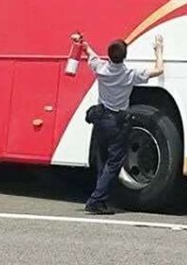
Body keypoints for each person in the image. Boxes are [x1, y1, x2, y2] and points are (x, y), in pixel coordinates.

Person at [71, 32, 165, 215]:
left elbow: (90, 54)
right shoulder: (129, 74)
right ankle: (96, 200)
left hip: (101, 120)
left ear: (109, 55)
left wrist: (83, 44)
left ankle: (100, 200)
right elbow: (158, 70)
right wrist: (159, 50)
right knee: (114, 163)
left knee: (103, 161)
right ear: (125, 56)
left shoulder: (101, 69)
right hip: (117, 122)